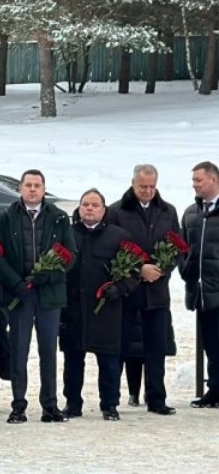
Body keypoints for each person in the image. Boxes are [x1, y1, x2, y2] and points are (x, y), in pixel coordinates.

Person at [0, 169, 76, 424]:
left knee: (48, 351)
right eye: (28, 185)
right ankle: (18, 404)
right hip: (20, 294)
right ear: (20, 188)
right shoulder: (7, 217)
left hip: (49, 294)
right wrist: (16, 283)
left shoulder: (59, 217)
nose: (32, 189)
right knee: (19, 349)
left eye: (37, 185)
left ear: (44, 189)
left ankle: (49, 404)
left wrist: (50, 274)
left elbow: (70, 254)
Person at [106, 164, 180, 415]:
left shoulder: (168, 211)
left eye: (152, 186)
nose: (147, 191)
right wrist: (139, 270)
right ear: (133, 184)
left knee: (156, 347)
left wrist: (160, 269)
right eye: (142, 187)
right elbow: (111, 249)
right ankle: (112, 399)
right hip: (128, 292)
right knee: (120, 345)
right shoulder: (116, 211)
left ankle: (156, 398)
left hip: (157, 292)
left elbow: (177, 246)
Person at [61, 189, 136, 421]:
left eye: (95, 205)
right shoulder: (67, 234)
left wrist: (120, 288)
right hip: (74, 310)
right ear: (79, 208)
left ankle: (110, 404)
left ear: (104, 210)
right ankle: (72, 403)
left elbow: (133, 270)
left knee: (109, 361)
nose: (90, 209)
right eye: (85, 204)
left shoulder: (119, 236)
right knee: (73, 360)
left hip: (106, 310)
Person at [181, 161, 219, 407]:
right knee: (212, 344)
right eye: (193, 180)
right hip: (203, 292)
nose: (193, 184)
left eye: (198, 180)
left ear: (213, 180)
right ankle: (214, 390)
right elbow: (183, 249)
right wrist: (186, 271)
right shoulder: (191, 213)